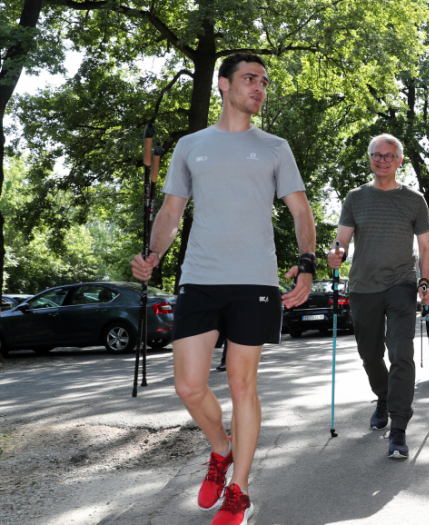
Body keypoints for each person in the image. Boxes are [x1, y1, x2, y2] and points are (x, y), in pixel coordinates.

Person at [130, 53, 315, 525]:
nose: (259, 88)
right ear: (223, 84)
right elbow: (171, 212)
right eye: (250, 79)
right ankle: (221, 449)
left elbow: (301, 212)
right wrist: (154, 254)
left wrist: (307, 264)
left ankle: (240, 491)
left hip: (255, 281)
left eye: (264, 82)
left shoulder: (275, 147)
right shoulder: (191, 146)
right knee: (189, 386)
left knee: (241, 384)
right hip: (199, 277)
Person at [327, 133, 429, 460]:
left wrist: (424, 282)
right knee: (370, 355)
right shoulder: (355, 198)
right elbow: (342, 240)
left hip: (401, 283)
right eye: (377, 155)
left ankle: (399, 426)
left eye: (389, 156)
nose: (382, 160)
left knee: (401, 352)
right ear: (370, 158)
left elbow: (425, 247)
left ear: (399, 161)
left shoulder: (414, 200)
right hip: (363, 286)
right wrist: (337, 253)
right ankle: (383, 396)